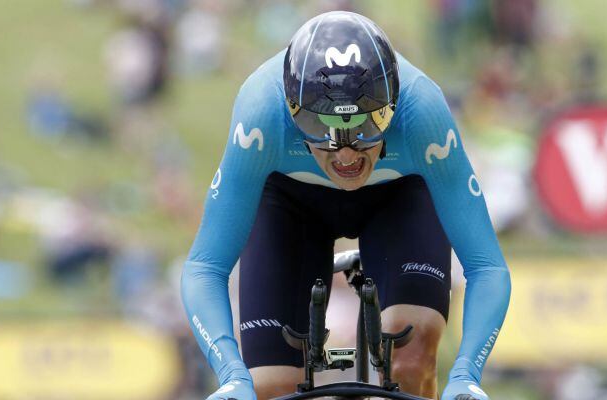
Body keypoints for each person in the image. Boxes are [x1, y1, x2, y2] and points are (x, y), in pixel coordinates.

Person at [181, 11, 511, 400]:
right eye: (320, 128)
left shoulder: (421, 110)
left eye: (368, 126)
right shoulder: (261, 113)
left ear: (394, 102)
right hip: (291, 203)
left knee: (411, 358)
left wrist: (466, 374)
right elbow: (205, 267)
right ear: (290, 108)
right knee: (268, 389)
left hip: (397, 195)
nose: (346, 153)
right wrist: (232, 375)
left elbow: (487, 266)